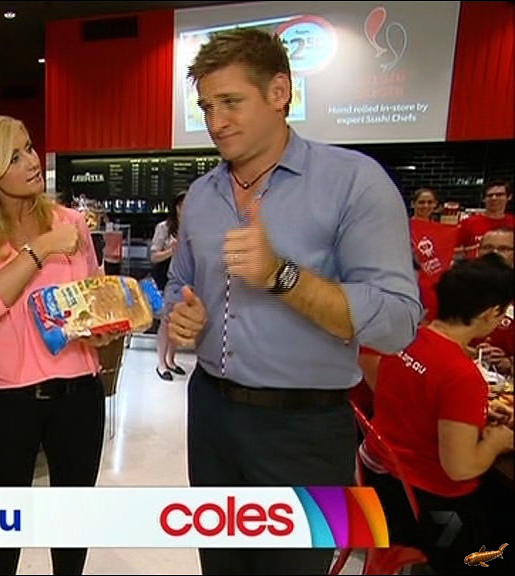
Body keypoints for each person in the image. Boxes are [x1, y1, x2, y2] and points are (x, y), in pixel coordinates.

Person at [164, 28, 422, 575]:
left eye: (231, 102)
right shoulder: (203, 195)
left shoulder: (355, 182)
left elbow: (398, 322)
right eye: (206, 107)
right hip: (210, 417)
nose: (215, 122)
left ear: (279, 92)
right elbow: (179, 282)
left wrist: (281, 276)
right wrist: (179, 317)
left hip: (310, 430)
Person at [0, 115, 111, 576]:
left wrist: (104, 325)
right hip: (7, 400)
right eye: (14, 157)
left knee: (72, 520)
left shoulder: (71, 222)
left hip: (78, 394)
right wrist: (41, 248)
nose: (32, 161)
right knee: (4, 523)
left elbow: (93, 296)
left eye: (29, 148)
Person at [362, 257, 514, 575]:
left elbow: (415, 400)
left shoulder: (407, 338)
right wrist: (497, 442)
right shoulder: (460, 374)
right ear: (490, 313)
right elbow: (460, 468)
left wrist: (474, 414)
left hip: (382, 481)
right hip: (428, 508)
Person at [151, 191, 187, 380]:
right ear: (176, 207)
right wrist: (171, 251)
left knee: (178, 321)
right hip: (167, 280)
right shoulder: (164, 228)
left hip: (187, 281)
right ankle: (161, 363)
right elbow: (154, 256)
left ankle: (172, 360)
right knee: (166, 322)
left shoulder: (192, 228)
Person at [409, 187, 458, 323]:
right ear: (413, 204)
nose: (426, 206)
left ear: (436, 205)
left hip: (435, 287)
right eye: (421, 202)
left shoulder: (442, 230)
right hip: (413, 283)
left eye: (430, 202)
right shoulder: (404, 226)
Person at [471, 228, 515, 374]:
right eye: (488, 248)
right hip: (462, 370)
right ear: (478, 252)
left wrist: (508, 363)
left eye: (503, 249)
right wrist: (473, 353)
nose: (494, 254)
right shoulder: (458, 287)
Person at [456, 180, 514, 259]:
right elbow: (453, 250)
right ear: (484, 199)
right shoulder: (468, 222)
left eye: (499, 195)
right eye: (490, 195)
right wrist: (474, 249)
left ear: (509, 197)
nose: (494, 198)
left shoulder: (512, 221)